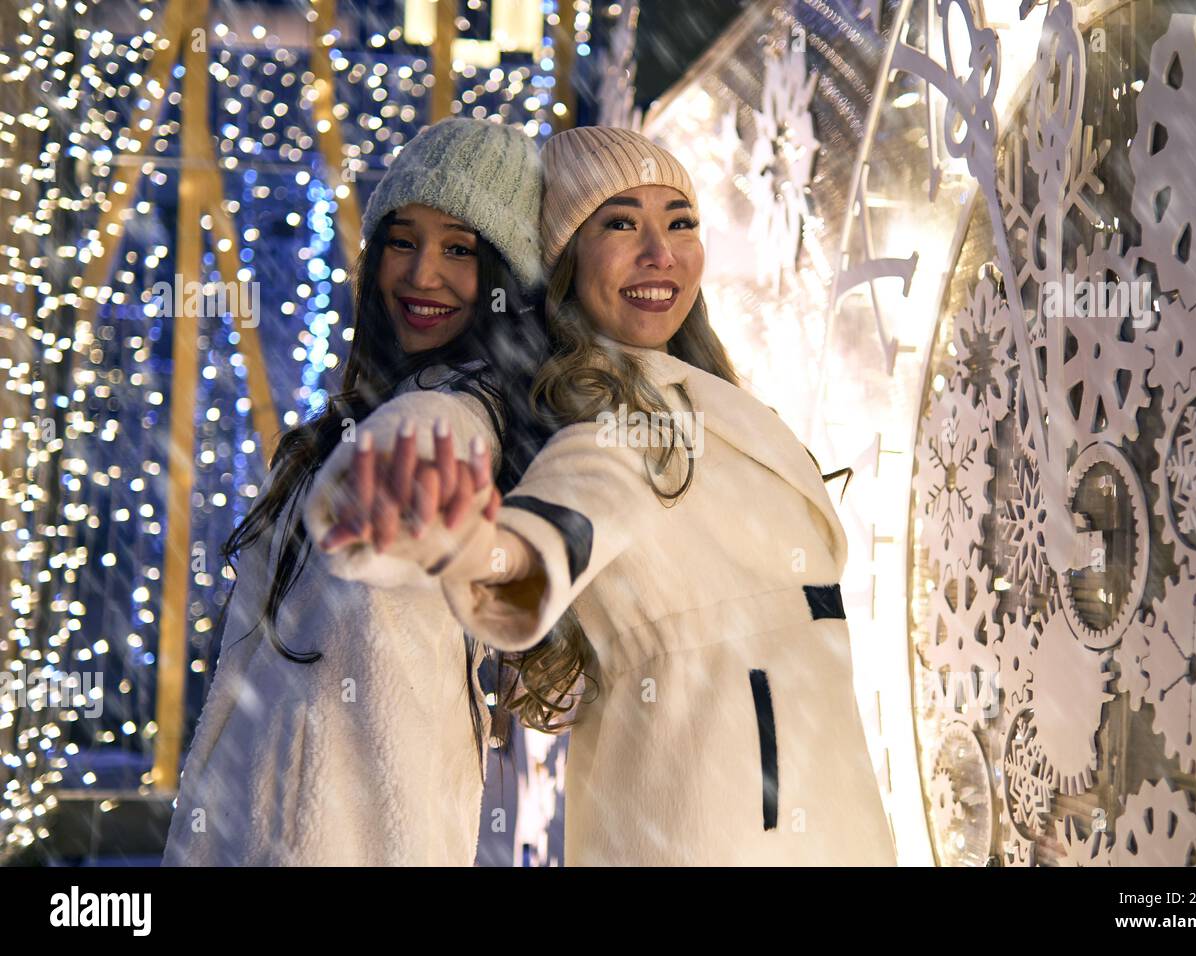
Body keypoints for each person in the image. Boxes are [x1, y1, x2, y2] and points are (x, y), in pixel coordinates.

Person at [307, 126, 897, 866]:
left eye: (679, 222)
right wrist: (462, 544)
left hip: (829, 810)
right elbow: (550, 534)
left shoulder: (705, 399)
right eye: (620, 224)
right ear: (563, 263)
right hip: (712, 828)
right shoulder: (610, 421)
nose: (660, 253)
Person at [163, 117, 548, 865]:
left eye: (461, 250)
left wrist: (401, 496)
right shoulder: (350, 422)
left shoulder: (449, 420)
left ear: (508, 279)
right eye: (403, 241)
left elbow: (423, 463)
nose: (421, 275)